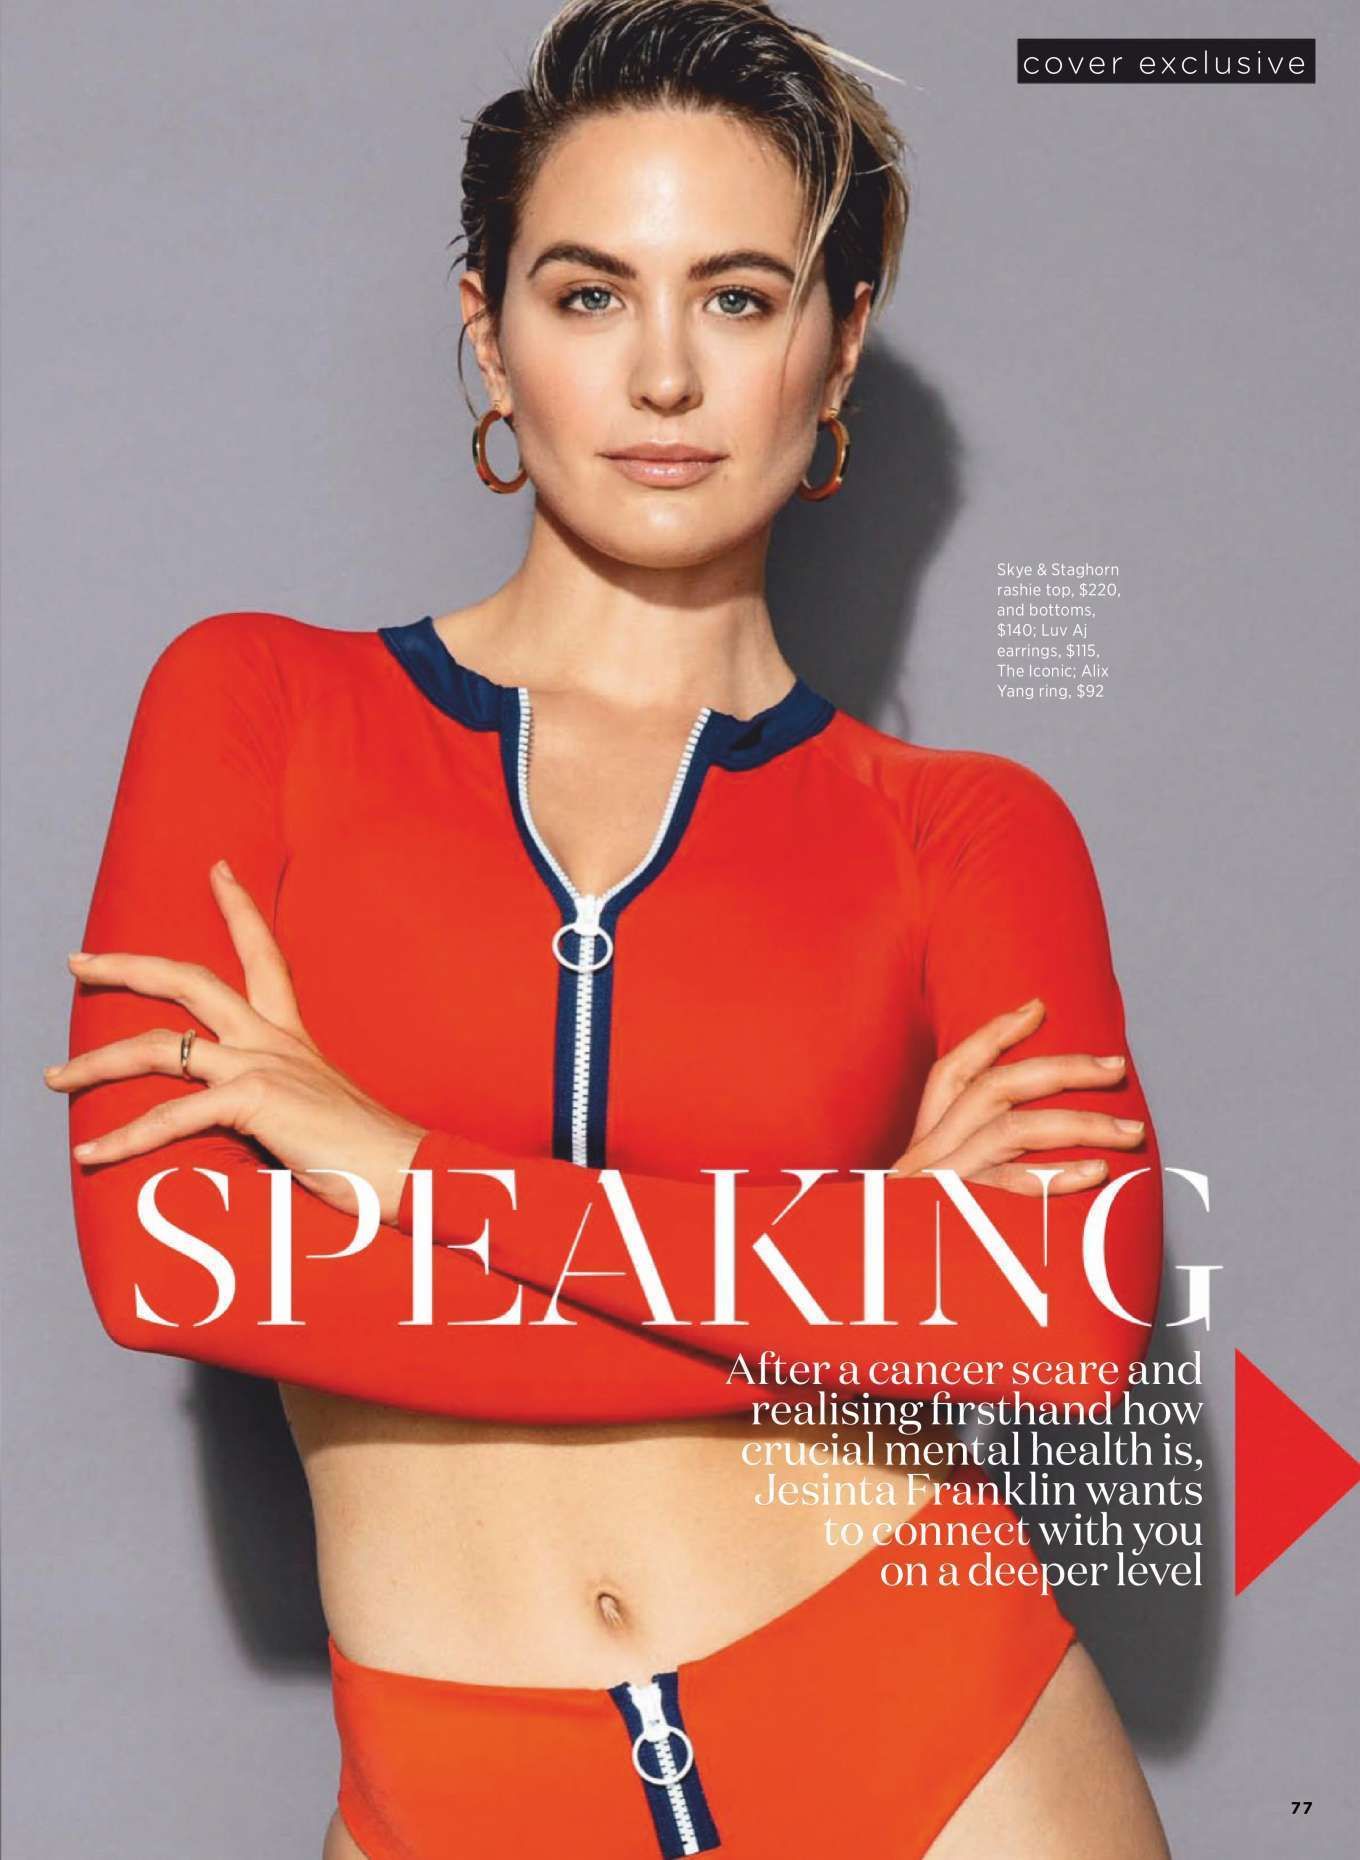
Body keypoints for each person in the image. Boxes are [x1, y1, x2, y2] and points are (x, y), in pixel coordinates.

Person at [51, 3, 1171, 1853]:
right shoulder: (257, 710)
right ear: (490, 334)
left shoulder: (969, 834)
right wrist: (857, 1277)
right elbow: (177, 1267)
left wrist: (401, 1172)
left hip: (942, 1733)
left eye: (738, 298)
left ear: (838, 347)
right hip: (459, 1785)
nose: (663, 375)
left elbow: (1059, 1330)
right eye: (588, 295)